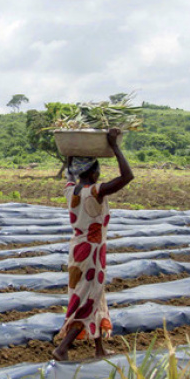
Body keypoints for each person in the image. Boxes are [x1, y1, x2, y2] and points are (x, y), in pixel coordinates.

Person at [52, 127, 134, 361]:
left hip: (79, 249)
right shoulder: (95, 191)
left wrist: (70, 152)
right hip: (91, 252)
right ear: (95, 173)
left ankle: (99, 348)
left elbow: (70, 172)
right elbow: (127, 177)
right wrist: (115, 147)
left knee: (94, 295)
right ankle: (62, 348)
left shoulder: (71, 190)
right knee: (88, 298)